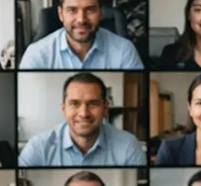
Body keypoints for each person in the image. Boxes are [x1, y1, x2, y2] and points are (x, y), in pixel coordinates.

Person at [17, 72, 145, 167]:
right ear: (63, 109)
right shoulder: (38, 147)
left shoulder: (128, 146)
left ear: (106, 108)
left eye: (93, 103)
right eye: (74, 104)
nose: (84, 113)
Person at [18, 0, 143, 70]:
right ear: (61, 14)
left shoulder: (124, 50)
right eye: (72, 10)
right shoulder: (37, 53)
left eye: (90, 10)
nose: (81, 19)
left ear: (100, 13)